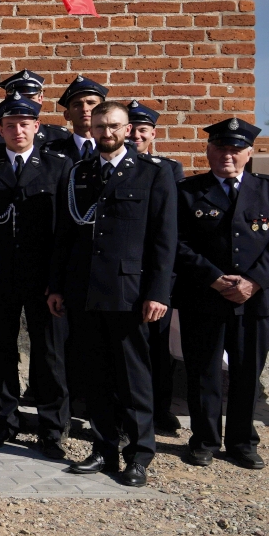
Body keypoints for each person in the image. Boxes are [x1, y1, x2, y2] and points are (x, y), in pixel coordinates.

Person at [48, 101, 177, 487]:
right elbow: (65, 237)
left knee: (133, 377)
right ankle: (104, 450)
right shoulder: (79, 173)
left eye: (115, 126)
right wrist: (56, 286)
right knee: (95, 376)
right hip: (84, 290)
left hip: (130, 292)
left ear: (127, 129)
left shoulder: (154, 173)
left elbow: (164, 239)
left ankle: (138, 455)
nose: (107, 133)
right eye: (101, 126)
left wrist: (158, 292)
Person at [174, 117, 269, 469]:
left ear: (249, 153)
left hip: (255, 300)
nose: (228, 155)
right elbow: (176, 242)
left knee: (246, 373)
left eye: (236, 149)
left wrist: (252, 282)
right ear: (209, 151)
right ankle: (204, 440)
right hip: (204, 297)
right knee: (203, 372)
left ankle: (242, 442)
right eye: (220, 148)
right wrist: (213, 278)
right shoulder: (187, 192)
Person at [0, 97, 73, 455]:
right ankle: (3, 421)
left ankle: (53, 430)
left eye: (25, 124)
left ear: (37, 127)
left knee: (50, 356)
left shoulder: (58, 167)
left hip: (43, 279)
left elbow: (66, 232)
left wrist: (59, 282)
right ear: (0, 129)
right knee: (0, 351)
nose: (17, 130)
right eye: (10, 125)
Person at [126, 100, 185, 435]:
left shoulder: (168, 169)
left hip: (156, 270)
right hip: (123, 272)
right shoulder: (108, 165)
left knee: (158, 348)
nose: (135, 135)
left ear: (152, 135)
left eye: (142, 130)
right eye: (131, 128)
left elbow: (168, 224)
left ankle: (160, 409)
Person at [0, 70, 74, 153]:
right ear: (6, 100)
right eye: (19, 98)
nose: (24, 103)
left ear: (40, 99)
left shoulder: (59, 136)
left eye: (30, 98)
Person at [44, 76, 106, 162]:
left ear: (104, 111)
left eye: (91, 103)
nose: (85, 109)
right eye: (77, 104)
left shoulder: (116, 149)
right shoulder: (51, 152)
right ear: (67, 114)